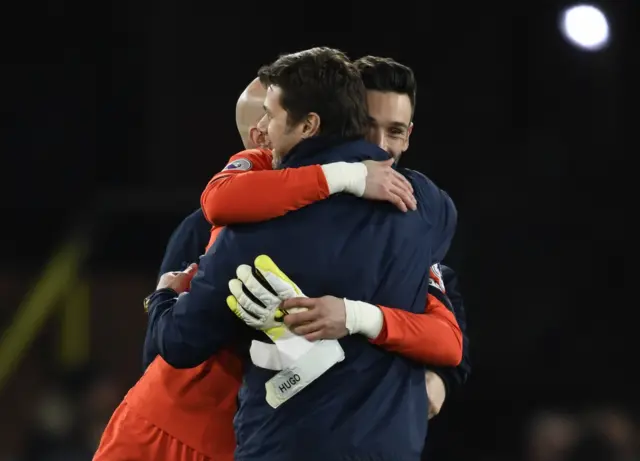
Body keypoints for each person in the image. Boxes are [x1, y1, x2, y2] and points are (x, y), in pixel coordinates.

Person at [94, 70, 460, 461]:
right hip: (188, 425)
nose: (376, 145)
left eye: (393, 131)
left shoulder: (406, 215)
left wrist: (437, 376)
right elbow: (166, 348)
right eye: (365, 127)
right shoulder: (223, 220)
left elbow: (450, 332)